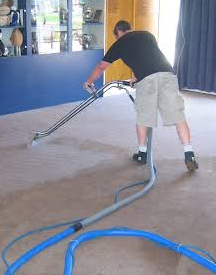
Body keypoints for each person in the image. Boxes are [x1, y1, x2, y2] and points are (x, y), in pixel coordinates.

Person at [83, 20, 198, 171]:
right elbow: (148, 59)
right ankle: (189, 154)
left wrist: (89, 81)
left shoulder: (120, 43)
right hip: (167, 75)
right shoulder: (147, 35)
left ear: (118, 33)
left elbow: (101, 66)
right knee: (178, 116)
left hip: (147, 81)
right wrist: (136, 78)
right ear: (130, 29)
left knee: (144, 118)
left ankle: (142, 154)